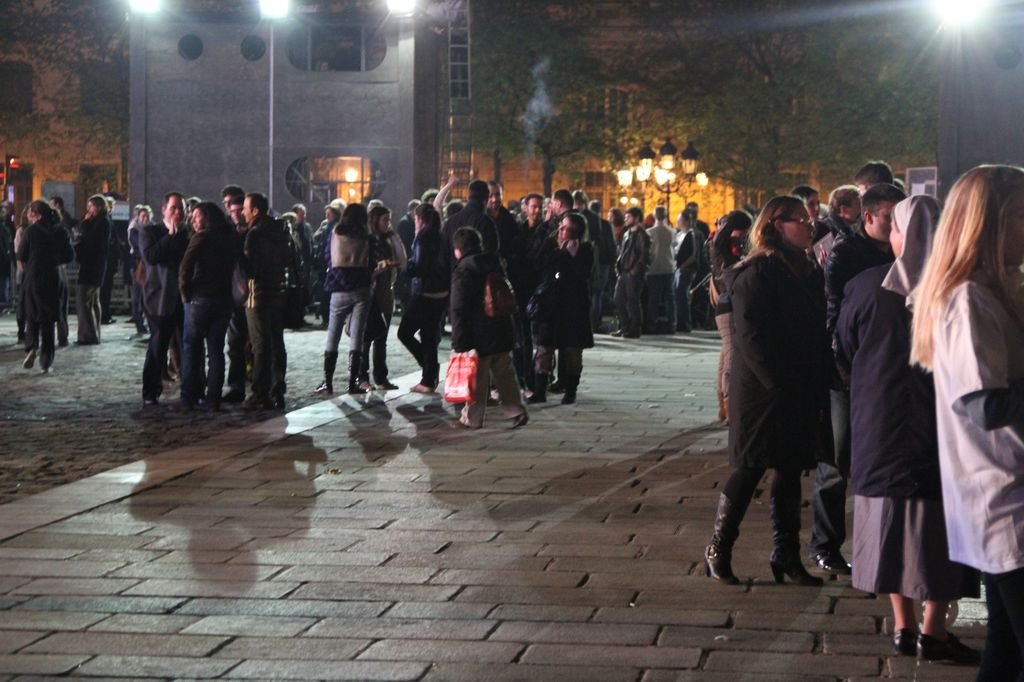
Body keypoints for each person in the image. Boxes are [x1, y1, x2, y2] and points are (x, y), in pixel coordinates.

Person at [837, 194, 980, 664]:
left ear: (900, 234)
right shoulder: (961, 289)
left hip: (878, 425)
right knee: (941, 531)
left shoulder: (863, 287)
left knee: (888, 527)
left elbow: (842, 351)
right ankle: (932, 628)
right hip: (939, 429)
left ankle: (901, 625)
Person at [910, 165, 1024, 681]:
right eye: (1021, 214)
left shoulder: (996, 291)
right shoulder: (968, 301)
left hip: (1004, 496)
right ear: (987, 223)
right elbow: (987, 405)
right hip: (1005, 497)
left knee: (1004, 651)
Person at [704, 196, 831, 587]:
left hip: (798, 384)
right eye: (801, 220)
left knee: (791, 469)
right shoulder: (757, 271)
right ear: (776, 224)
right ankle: (718, 548)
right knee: (750, 467)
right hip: (763, 389)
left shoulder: (806, 268)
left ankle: (786, 553)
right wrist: (776, 381)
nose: (810, 225)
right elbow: (751, 337)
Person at [811, 182, 905, 576]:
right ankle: (826, 544)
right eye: (889, 217)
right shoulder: (847, 255)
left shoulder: (907, 252)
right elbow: (836, 315)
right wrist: (846, 369)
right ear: (868, 217)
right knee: (836, 459)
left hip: (890, 370)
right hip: (846, 372)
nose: (896, 224)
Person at [449, 227, 528, 429]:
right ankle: (516, 410)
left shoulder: (463, 270)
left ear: (458, 249)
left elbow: (458, 308)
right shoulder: (494, 263)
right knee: (505, 372)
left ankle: (472, 419)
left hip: (478, 332)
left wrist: (459, 340)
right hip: (501, 326)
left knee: (478, 376)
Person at [177, 201, 239, 411]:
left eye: (196, 215)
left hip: (199, 299)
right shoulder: (231, 238)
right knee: (216, 350)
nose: (193, 220)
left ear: (207, 217)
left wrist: (185, 294)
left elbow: (185, 268)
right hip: (223, 299)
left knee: (192, 347)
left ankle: (189, 396)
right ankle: (213, 398)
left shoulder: (201, 237)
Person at [530, 212, 594, 405]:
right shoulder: (550, 244)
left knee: (572, 350)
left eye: (570, 230)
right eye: (563, 227)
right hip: (551, 304)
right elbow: (539, 263)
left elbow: (584, 274)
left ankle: (570, 390)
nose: (564, 232)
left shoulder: (585, 249)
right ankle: (540, 390)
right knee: (544, 348)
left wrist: (572, 255)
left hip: (574, 305)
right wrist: (557, 251)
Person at [316, 203, 374, 396]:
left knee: (333, 334)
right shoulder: (367, 237)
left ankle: (328, 381)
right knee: (357, 336)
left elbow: (326, 256)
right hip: (361, 289)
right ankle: (353, 382)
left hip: (338, 288)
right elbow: (372, 262)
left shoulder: (335, 233)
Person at [241, 192, 291, 410]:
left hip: (257, 294)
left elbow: (249, 267)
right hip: (276, 293)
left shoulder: (255, 234)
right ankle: (278, 385)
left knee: (260, 344)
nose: (243, 212)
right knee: (276, 342)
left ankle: (260, 392)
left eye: (245, 208)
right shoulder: (280, 231)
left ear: (255, 210)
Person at [140, 192, 190, 407]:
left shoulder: (189, 234)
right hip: (160, 297)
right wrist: (170, 236)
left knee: (188, 345)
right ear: (164, 210)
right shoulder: (150, 232)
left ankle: (191, 390)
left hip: (186, 298)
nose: (178, 212)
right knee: (158, 346)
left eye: (181, 208)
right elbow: (152, 257)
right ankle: (150, 391)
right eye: (173, 208)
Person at [17, 200, 75, 372]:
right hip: (53, 277)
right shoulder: (60, 231)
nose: (28, 217)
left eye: (30, 214)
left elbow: (22, 254)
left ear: (37, 215)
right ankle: (46, 361)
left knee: (32, 316)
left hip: (34, 277)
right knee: (48, 321)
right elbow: (69, 256)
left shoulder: (31, 231)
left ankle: (32, 347)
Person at [399, 202, 449, 393]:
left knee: (404, 332)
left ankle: (430, 370)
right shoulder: (441, 234)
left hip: (424, 292)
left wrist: (407, 267)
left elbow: (419, 266)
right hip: (441, 293)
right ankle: (428, 379)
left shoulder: (423, 237)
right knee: (429, 336)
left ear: (418, 219)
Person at [709, 210, 751, 423]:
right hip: (727, 305)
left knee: (727, 354)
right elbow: (729, 273)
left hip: (728, 304)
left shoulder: (726, 244)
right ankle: (728, 404)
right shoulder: (722, 246)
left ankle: (723, 405)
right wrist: (748, 261)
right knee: (732, 355)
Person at [360, 204, 407, 390]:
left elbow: (402, 260)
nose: (388, 223)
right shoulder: (368, 240)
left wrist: (393, 236)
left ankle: (381, 377)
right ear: (375, 220)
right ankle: (361, 377)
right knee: (365, 338)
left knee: (382, 337)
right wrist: (380, 267)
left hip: (386, 291)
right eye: (384, 220)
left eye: (389, 220)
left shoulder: (389, 239)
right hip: (370, 293)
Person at [73, 194, 110, 345]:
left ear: (99, 206)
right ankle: (92, 333)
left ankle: (88, 335)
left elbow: (92, 240)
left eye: (91, 206)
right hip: (93, 265)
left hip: (92, 266)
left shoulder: (101, 223)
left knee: (83, 300)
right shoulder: (99, 222)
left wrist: (84, 225)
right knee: (93, 301)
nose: (88, 210)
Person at [612, 207, 650, 339]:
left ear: (637, 218)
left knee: (633, 302)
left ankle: (634, 329)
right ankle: (624, 327)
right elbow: (622, 251)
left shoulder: (642, 235)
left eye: (629, 217)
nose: (626, 219)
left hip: (633, 273)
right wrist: (618, 266)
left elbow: (644, 255)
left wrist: (635, 271)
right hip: (623, 272)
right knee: (618, 300)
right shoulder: (627, 233)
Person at [645, 206, 676, 334]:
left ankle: (651, 323)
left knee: (653, 298)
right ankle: (672, 324)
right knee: (670, 298)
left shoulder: (650, 232)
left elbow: (649, 251)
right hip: (668, 267)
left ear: (654, 215)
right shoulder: (672, 231)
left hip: (654, 268)